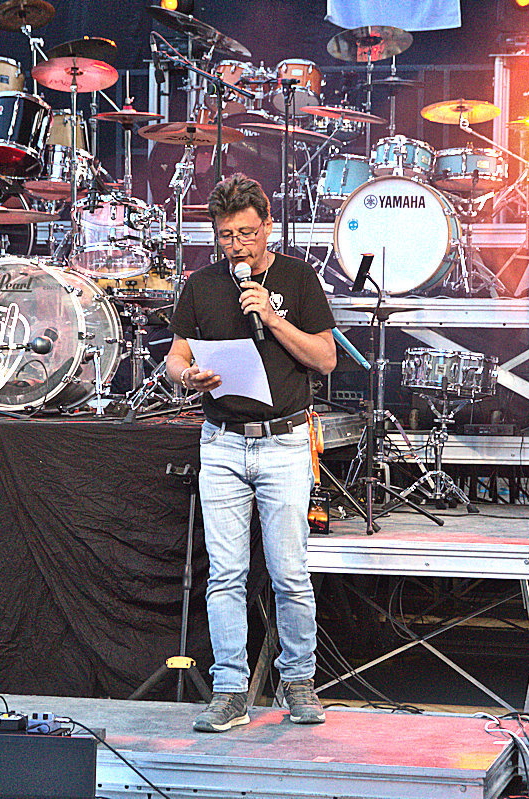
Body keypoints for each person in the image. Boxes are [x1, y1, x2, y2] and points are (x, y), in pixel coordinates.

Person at [166, 173, 337, 732]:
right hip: (222, 442)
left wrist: (273, 317)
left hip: (284, 441)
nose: (236, 246)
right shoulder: (201, 285)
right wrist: (187, 376)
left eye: (245, 233)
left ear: (267, 226)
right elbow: (177, 355)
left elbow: (325, 359)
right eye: (225, 236)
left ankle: (299, 681)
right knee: (225, 575)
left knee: (289, 572)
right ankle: (230, 691)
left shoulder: (298, 277)